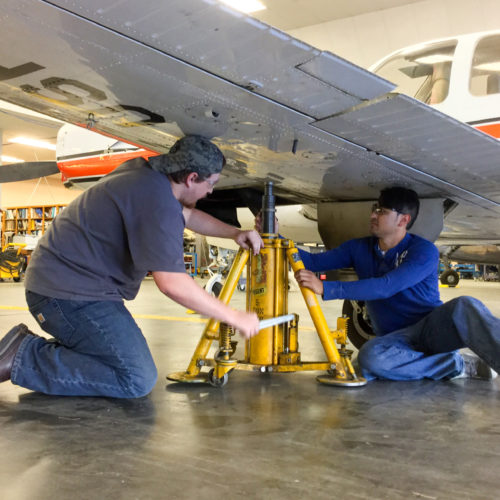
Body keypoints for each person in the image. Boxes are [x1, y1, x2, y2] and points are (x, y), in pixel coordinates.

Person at [0, 135, 263, 398]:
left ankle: (32, 352)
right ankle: (23, 357)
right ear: (191, 178)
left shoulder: (146, 175)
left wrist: (234, 233)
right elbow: (172, 284)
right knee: (135, 378)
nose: (211, 192)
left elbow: (188, 216)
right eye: (211, 183)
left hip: (66, 285)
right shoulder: (157, 204)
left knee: (124, 365)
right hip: (66, 296)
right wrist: (233, 316)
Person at [293, 186, 500, 381]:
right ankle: (456, 365)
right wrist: (273, 235)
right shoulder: (358, 248)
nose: (373, 215)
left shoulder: (424, 251)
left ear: (403, 220)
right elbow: (312, 261)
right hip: (396, 341)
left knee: (466, 306)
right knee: (370, 358)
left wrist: (328, 288)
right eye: (375, 209)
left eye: (381, 211)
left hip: (432, 330)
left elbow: (387, 286)